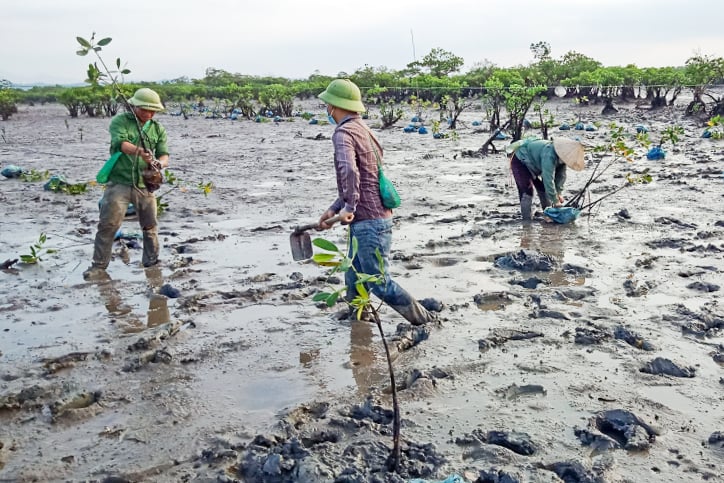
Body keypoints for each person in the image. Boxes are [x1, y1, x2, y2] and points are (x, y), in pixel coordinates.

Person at [316, 79, 437, 326]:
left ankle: (424, 320)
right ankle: (359, 323)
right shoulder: (364, 130)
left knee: (377, 282)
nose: (327, 109)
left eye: (327, 104)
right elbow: (364, 178)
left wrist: (349, 208)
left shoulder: (343, 133)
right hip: (374, 216)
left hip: (368, 220)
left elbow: (350, 172)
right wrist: (334, 209)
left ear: (334, 106)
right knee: (353, 276)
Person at [83, 88, 169, 280]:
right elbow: (120, 143)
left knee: (150, 226)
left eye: (153, 110)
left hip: (144, 185)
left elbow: (164, 154)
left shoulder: (157, 129)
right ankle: (98, 267)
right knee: (108, 225)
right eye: (146, 110)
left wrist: (159, 163)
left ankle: (152, 262)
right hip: (119, 184)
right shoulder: (120, 122)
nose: (150, 114)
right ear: (136, 106)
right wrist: (139, 151)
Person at [508, 137, 585, 220]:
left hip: (534, 164)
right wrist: (555, 201)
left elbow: (561, 177)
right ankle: (526, 221)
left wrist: (558, 193)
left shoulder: (562, 159)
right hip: (521, 160)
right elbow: (548, 178)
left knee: (543, 189)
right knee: (527, 191)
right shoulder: (549, 154)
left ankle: (548, 214)